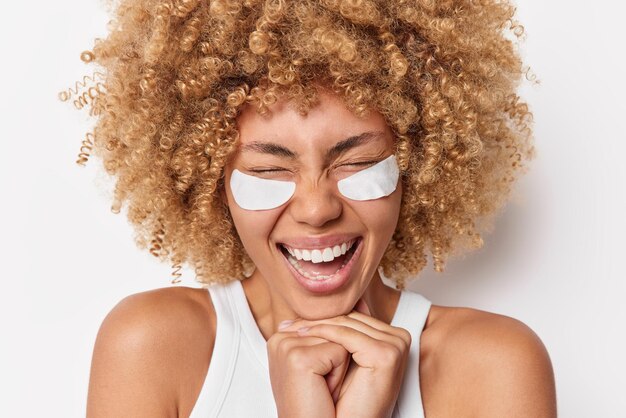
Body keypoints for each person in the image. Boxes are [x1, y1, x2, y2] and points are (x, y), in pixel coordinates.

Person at [67, 0, 556, 416]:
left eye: (358, 161)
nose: (317, 208)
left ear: (418, 166)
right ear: (212, 181)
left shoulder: (494, 365)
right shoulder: (152, 346)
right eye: (268, 171)